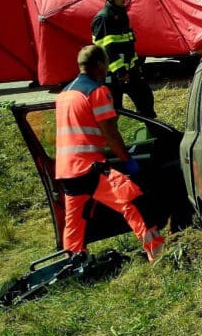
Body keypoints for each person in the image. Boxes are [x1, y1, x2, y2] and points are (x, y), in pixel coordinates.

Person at [55, 45, 165, 262]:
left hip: (66, 171)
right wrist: (127, 160)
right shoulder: (97, 92)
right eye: (105, 64)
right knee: (132, 200)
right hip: (89, 168)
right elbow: (111, 133)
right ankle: (158, 253)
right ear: (99, 65)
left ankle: (74, 263)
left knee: (75, 222)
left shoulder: (64, 95)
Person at [92, 0, 156, 117]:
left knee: (146, 101)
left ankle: (154, 134)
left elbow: (128, 45)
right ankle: (110, 138)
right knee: (113, 112)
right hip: (112, 75)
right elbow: (106, 50)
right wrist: (120, 72)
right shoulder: (104, 18)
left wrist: (135, 65)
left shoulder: (121, 15)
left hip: (128, 71)